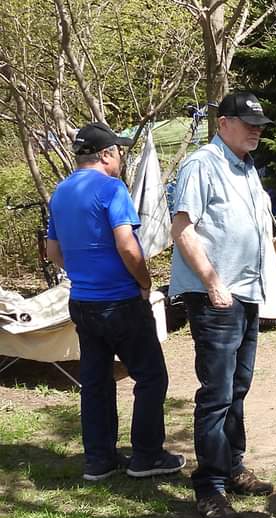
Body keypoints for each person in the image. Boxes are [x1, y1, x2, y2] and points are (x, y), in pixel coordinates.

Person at [45, 122, 185, 481]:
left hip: (82, 302)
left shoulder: (60, 192)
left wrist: (84, 272)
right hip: (119, 301)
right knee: (151, 377)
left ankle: (98, 460)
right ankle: (146, 456)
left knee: (95, 381)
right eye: (119, 150)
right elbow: (126, 244)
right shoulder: (111, 188)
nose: (122, 156)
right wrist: (144, 282)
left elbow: (53, 252)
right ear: (106, 154)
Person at [169, 91, 276, 518]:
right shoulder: (202, 164)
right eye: (247, 122)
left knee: (239, 384)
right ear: (223, 122)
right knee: (216, 391)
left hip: (245, 294)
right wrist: (213, 283)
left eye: (260, 125)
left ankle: (233, 466)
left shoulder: (246, 167)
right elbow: (182, 228)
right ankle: (209, 486)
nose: (256, 130)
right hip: (216, 295)